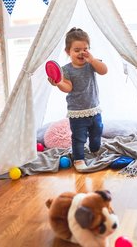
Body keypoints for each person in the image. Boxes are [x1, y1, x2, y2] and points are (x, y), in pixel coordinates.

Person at [48, 27, 108, 171]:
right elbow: (67, 87)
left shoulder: (91, 64)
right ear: (68, 52)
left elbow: (104, 71)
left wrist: (92, 60)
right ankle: (79, 158)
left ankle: (94, 150)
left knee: (97, 132)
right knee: (79, 138)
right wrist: (58, 83)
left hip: (94, 109)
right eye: (76, 50)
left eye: (85, 49)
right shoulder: (66, 70)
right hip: (77, 112)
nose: (81, 53)